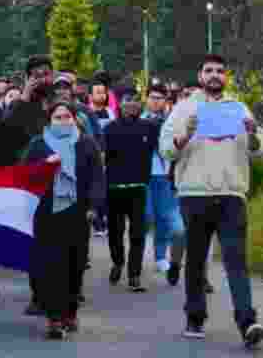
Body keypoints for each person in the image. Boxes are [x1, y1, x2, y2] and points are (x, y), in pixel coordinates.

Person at [160, 54, 263, 345]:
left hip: (232, 194)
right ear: (200, 75)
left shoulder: (238, 108)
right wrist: (185, 135)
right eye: (209, 71)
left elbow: (257, 150)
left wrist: (253, 135)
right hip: (195, 193)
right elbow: (166, 149)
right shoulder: (184, 109)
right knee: (195, 259)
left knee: (236, 261)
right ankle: (195, 315)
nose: (214, 75)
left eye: (220, 71)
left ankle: (247, 322)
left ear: (226, 76)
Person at [22, 101, 105, 340]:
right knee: (49, 266)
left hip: (77, 213)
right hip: (46, 214)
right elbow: (24, 173)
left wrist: (93, 206)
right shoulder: (39, 144)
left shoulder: (86, 144)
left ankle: (70, 312)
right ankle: (53, 318)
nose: (63, 121)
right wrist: (42, 167)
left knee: (74, 265)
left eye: (67, 116)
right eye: (57, 117)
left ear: (74, 119)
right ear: (49, 120)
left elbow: (97, 178)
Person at [0, 55, 54, 316]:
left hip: (61, 181)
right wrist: (24, 99)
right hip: (30, 182)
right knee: (37, 241)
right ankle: (39, 295)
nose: (43, 78)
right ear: (28, 78)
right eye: (37, 74)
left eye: (46, 73)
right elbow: (5, 132)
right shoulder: (21, 106)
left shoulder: (61, 104)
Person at [102, 94, 159, 292]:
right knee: (116, 232)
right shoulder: (109, 128)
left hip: (139, 188)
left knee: (138, 233)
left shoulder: (149, 127)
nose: (131, 105)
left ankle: (134, 275)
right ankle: (118, 262)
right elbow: (103, 156)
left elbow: (157, 149)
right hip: (114, 188)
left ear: (140, 105)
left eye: (135, 101)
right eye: (127, 102)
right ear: (121, 105)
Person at [142, 84, 186, 285]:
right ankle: (136, 256)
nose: (156, 101)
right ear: (146, 99)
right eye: (152, 97)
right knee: (146, 216)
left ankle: (161, 257)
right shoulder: (138, 120)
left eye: (160, 97)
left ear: (166, 100)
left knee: (165, 219)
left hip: (165, 176)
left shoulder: (172, 122)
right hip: (143, 176)